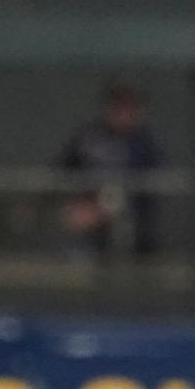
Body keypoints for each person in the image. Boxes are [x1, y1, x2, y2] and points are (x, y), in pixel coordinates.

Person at [60, 81, 161, 259]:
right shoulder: (90, 136)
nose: (122, 114)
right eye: (117, 106)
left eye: (129, 108)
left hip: (132, 220)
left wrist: (102, 209)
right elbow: (63, 169)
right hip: (88, 212)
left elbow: (148, 189)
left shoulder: (144, 144)